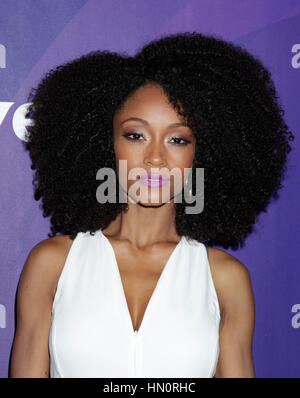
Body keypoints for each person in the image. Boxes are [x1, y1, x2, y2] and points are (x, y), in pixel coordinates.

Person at [9, 32, 294, 378]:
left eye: (177, 139)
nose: (156, 158)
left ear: (202, 154)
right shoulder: (51, 264)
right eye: (135, 135)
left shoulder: (225, 280)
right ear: (103, 143)